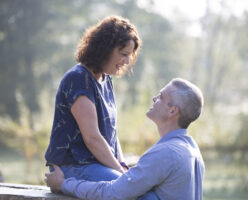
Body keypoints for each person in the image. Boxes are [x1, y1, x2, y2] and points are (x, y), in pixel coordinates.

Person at [45, 78, 205, 200]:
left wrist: (63, 184)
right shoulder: (192, 150)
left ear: (172, 111)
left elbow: (113, 193)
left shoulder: (166, 153)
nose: (154, 98)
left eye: (161, 97)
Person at [44, 15, 142, 183]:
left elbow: (111, 133)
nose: (127, 61)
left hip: (99, 164)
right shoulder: (78, 79)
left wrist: (122, 164)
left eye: (129, 55)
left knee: (147, 190)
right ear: (105, 49)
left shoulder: (106, 79)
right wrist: (120, 173)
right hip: (74, 166)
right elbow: (92, 137)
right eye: (123, 54)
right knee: (135, 191)